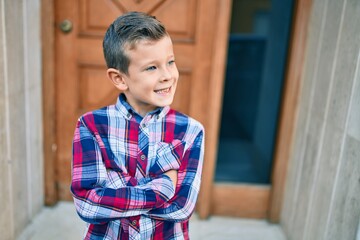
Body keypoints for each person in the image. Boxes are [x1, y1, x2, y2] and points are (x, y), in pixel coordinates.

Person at [71, 11, 205, 240]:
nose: (167, 76)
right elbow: (88, 205)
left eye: (170, 62)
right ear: (119, 78)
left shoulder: (190, 131)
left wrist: (114, 185)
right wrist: (163, 187)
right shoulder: (91, 126)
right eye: (152, 68)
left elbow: (181, 208)